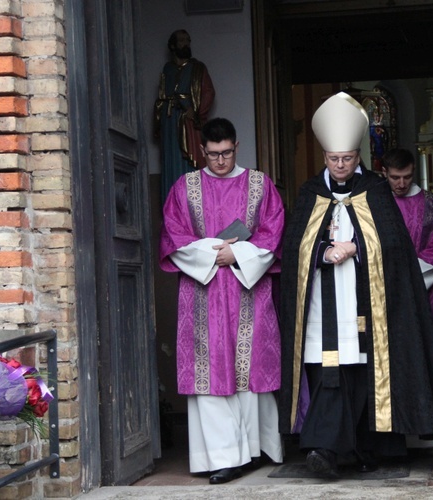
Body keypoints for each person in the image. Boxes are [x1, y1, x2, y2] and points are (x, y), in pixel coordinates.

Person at [278, 92, 433, 478]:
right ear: (325, 158)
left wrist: (356, 246)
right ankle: (337, 449)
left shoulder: (376, 191)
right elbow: (293, 246)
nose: (341, 166)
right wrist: (321, 250)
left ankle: (338, 448)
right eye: (334, 159)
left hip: (366, 303)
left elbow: (394, 246)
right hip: (322, 306)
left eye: (347, 159)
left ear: (357, 156)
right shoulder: (311, 192)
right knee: (329, 373)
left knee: (360, 373)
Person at [159, 117, 285, 484]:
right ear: (202, 151)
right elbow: (173, 233)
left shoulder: (260, 185)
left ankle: (255, 450)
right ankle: (222, 456)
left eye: (227, 153)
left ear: (237, 146)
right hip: (203, 292)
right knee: (209, 373)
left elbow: (273, 231)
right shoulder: (185, 187)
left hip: (249, 289)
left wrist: (240, 256)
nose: (220, 160)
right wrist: (214, 255)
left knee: (249, 369)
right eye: (213, 154)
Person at [382, 148, 433, 379]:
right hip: (384, 293)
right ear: (384, 173)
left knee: (426, 353)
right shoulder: (375, 206)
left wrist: (407, 278)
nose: (402, 183)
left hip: (423, 292)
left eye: (407, 177)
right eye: (395, 177)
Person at [154, 29, 215, 203]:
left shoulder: (197, 68)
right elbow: (161, 96)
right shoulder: (167, 69)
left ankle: (192, 206)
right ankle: (172, 205)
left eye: (188, 40)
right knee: (169, 162)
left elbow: (209, 93)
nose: (186, 43)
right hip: (169, 120)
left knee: (191, 162)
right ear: (173, 45)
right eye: (181, 40)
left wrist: (195, 112)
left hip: (188, 123)